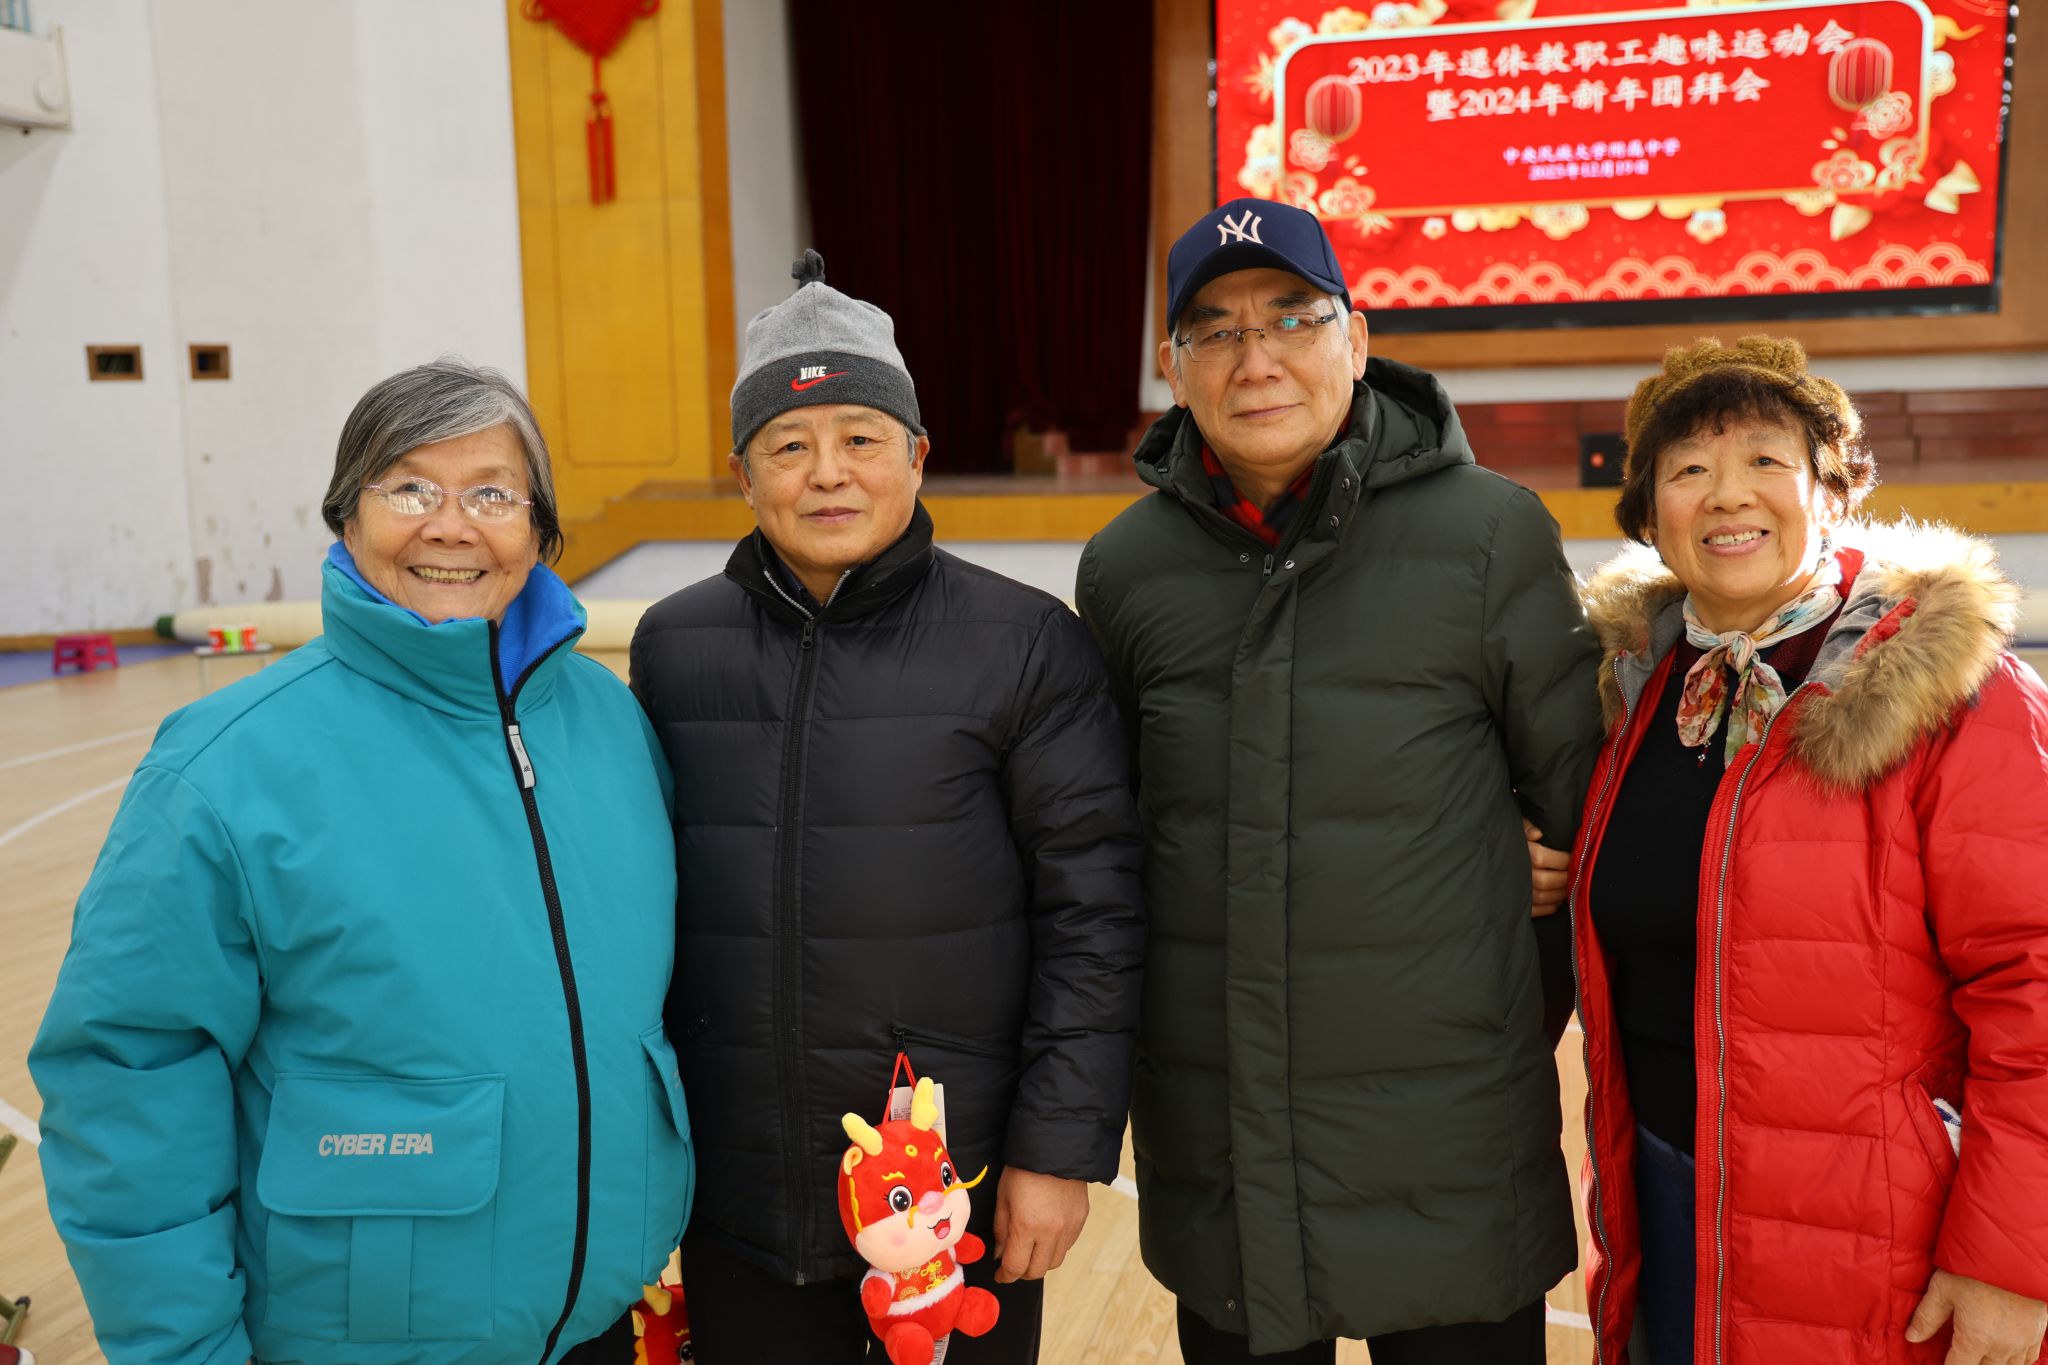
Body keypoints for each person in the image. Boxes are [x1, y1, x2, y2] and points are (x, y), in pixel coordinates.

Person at [30, 361, 691, 1364]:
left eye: (492, 494)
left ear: (540, 533)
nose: (451, 526)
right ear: (347, 515)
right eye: (410, 488)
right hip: (360, 1339)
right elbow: (128, 1079)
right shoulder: (225, 765)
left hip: (596, 1322)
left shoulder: (613, 725)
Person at [1073, 198, 1603, 1362]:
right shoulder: (1123, 570)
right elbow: (1109, 840)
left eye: (1290, 319)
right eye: (1214, 331)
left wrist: (1510, 923)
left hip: (1449, 1146)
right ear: (1173, 367)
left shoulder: (1489, 535)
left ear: (1354, 340)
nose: (1254, 359)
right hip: (1223, 1146)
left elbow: (1583, 807)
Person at [629, 252, 1146, 1362]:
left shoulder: (1023, 642)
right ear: (743, 474)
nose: (828, 474)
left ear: (916, 454)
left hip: (946, 1195)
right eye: (788, 445)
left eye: (861, 438)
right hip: (735, 1190)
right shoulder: (674, 646)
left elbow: (1094, 912)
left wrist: (1056, 1151)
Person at [1568, 335, 2048, 1365]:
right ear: (1649, 515)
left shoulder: (1955, 696)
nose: (1726, 494)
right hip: (1668, 1197)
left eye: (1764, 459)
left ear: (1832, 493)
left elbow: (2036, 979)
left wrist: (2014, 1259)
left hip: (1881, 1236)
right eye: (1687, 469)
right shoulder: (1630, 693)